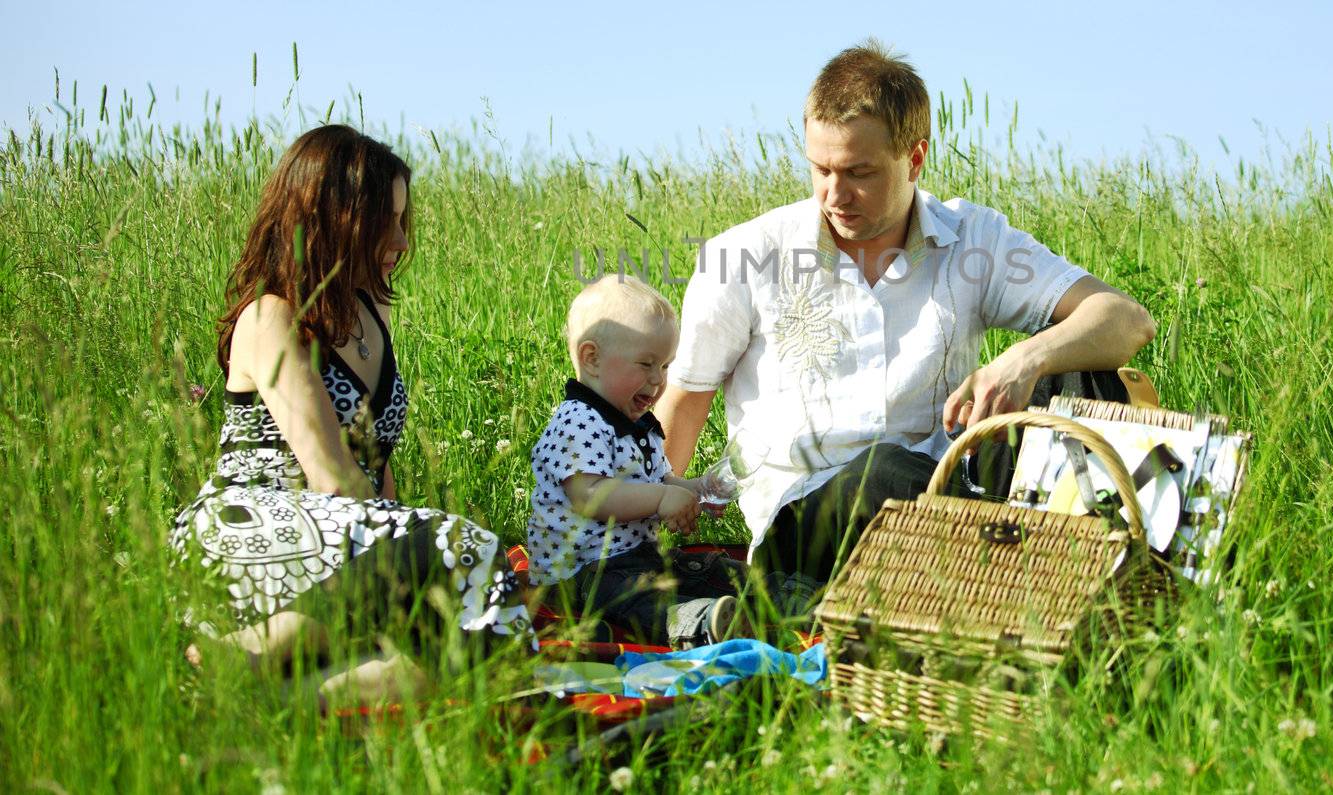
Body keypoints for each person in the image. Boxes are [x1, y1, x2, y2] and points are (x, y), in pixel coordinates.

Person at [655, 41, 1156, 601]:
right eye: (820, 169)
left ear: (914, 159)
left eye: (859, 172)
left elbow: (1126, 320)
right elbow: (681, 410)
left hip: (951, 491)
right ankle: (1022, 568)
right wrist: (626, 540)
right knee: (885, 473)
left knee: (1083, 378)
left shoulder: (974, 239)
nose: (834, 195)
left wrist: (1025, 359)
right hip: (810, 524)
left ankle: (1099, 577)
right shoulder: (744, 257)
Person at [170, 125, 532, 705]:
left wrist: (409, 541)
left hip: (344, 535)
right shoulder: (271, 318)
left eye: (401, 220)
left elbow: (377, 463)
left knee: (493, 644)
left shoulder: (371, 312)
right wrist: (418, 544)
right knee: (465, 548)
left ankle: (266, 697)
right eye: (384, 223)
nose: (400, 240)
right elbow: (332, 476)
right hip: (258, 527)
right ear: (332, 220)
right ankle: (255, 647)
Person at [525, 276, 745, 647]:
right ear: (591, 358)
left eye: (665, 365)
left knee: (700, 568)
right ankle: (700, 624)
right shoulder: (578, 421)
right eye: (647, 364)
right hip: (580, 572)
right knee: (636, 600)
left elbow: (659, 480)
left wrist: (696, 491)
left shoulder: (636, 423)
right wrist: (660, 499)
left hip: (635, 557)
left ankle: (768, 591)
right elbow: (591, 496)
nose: (659, 380)